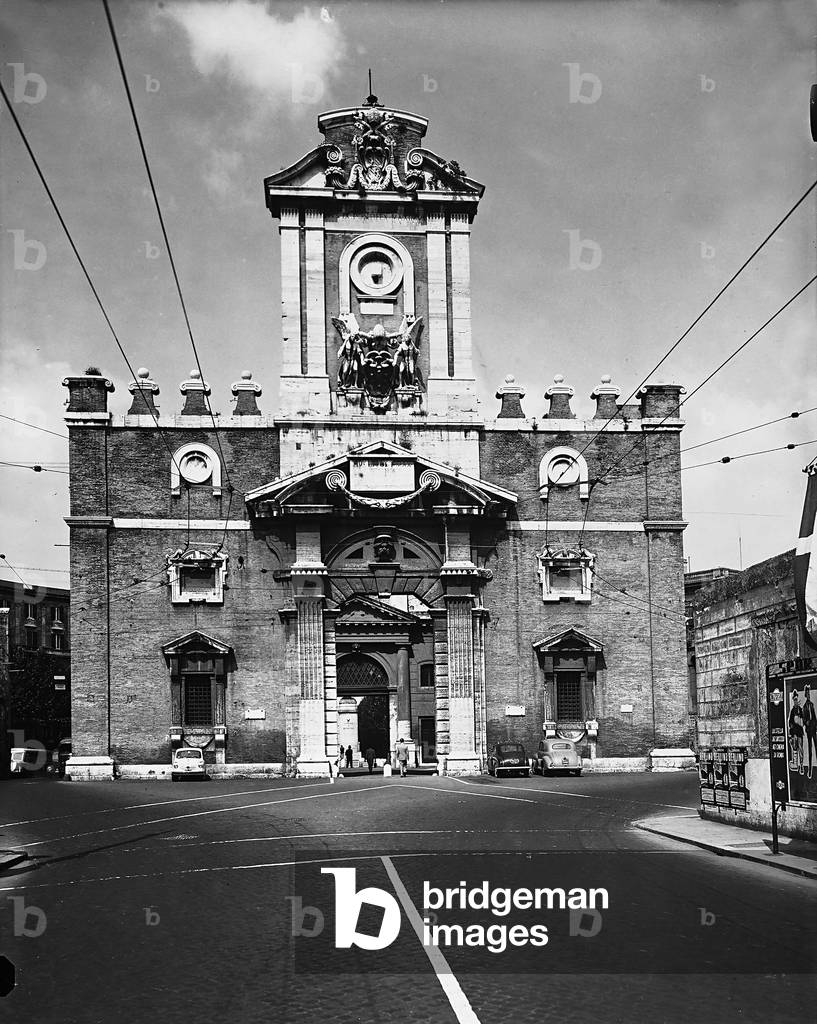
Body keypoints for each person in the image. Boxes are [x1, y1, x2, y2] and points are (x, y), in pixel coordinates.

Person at [803, 684, 817, 780]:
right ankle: (810, 770)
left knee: (816, 748)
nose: (808, 695)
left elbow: (815, 717)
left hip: (814, 729)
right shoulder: (804, 706)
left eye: (809, 693)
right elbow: (803, 719)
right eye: (807, 693)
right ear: (805, 695)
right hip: (808, 730)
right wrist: (806, 722)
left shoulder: (812, 704)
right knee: (810, 751)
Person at [788, 690, 805, 774]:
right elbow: (790, 723)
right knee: (795, 749)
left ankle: (801, 766)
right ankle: (795, 765)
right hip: (794, 733)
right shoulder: (792, 711)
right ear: (793, 700)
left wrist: (798, 720)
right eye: (794, 700)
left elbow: (803, 721)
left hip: (799, 733)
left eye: (796, 699)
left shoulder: (801, 710)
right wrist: (791, 733)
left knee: (801, 749)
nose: (795, 701)